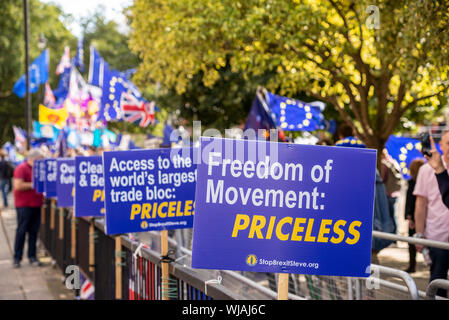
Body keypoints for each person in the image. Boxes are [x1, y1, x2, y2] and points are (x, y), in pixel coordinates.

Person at [413, 131, 449, 297]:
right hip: (437, 238)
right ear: (440, 145)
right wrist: (419, 233)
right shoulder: (427, 170)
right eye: (448, 143)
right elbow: (421, 203)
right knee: (437, 284)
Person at [12, 148, 44, 268]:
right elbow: (18, 185)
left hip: (36, 204)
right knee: (21, 231)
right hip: (24, 205)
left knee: (34, 232)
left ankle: (32, 256)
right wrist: (35, 184)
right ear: (35, 158)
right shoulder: (22, 168)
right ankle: (17, 257)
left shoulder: (38, 169)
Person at [404, 158, 425, 273]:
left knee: (412, 242)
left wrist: (409, 216)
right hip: (424, 216)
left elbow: (410, 201)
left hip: (414, 216)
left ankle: (412, 265)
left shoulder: (413, 183)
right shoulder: (422, 182)